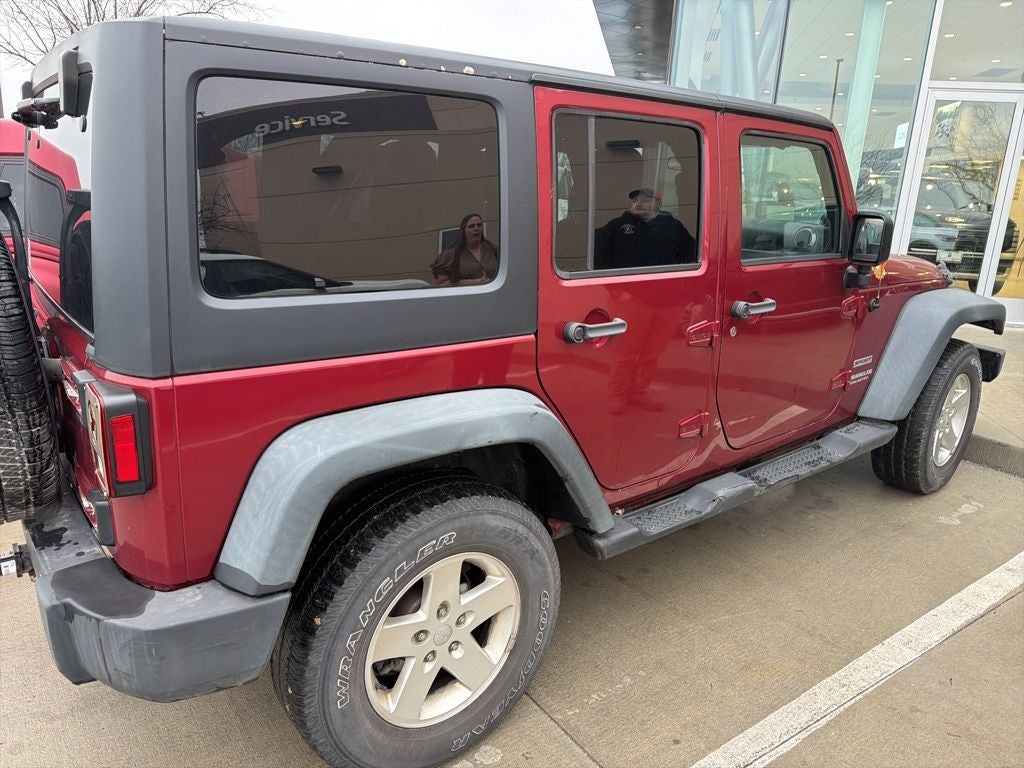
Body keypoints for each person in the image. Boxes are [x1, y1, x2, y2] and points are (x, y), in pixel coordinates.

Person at [593, 188, 696, 270]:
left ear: (659, 204)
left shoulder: (673, 226)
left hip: (663, 282)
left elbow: (691, 254)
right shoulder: (616, 226)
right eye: (634, 201)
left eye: (644, 201)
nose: (637, 204)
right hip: (625, 284)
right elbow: (598, 256)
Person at [431, 213, 499, 286]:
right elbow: (442, 283)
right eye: (471, 226)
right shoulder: (451, 255)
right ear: (463, 231)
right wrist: (475, 282)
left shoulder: (493, 249)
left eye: (479, 225)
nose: (476, 228)